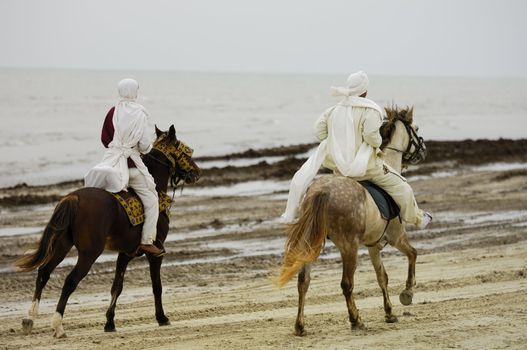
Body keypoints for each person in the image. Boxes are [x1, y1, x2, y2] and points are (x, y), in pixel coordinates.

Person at [281, 71, 432, 229]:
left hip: (339, 169)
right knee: (402, 186)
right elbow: (372, 137)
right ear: (365, 92)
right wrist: (376, 141)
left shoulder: (332, 110)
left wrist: (338, 139)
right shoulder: (370, 110)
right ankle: (417, 219)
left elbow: (318, 132)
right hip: (366, 169)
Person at [84, 78, 165, 256]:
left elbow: (105, 140)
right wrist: (145, 149)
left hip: (110, 162)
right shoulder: (141, 113)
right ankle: (146, 242)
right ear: (134, 91)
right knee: (152, 200)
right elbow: (144, 145)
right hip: (131, 167)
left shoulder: (112, 111)